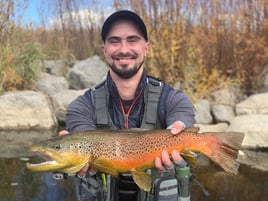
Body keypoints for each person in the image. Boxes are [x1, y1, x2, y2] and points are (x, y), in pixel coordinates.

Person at [61, 10, 195, 201]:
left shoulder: (173, 99)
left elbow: (182, 114)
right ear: (104, 49)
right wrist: (74, 151)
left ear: (146, 48)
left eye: (132, 40)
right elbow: (83, 137)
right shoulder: (82, 106)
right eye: (115, 41)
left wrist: (179, 126)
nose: (124, 49)